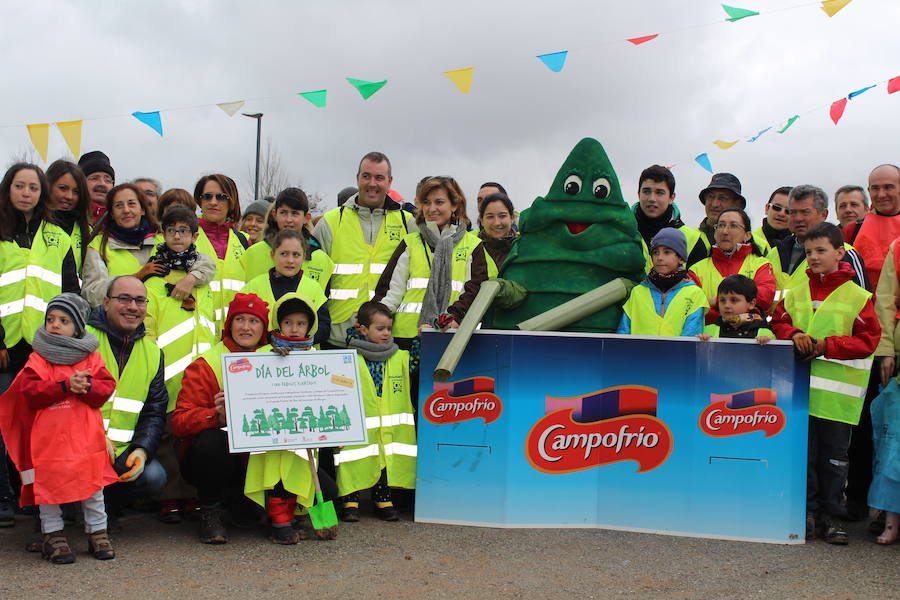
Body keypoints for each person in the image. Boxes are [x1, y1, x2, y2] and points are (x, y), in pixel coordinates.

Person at [770, 222, 880, 544]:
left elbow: (869, 340)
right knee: (804, 457)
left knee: (833, 461)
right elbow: (778, 321)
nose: (813, 257)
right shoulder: (796, 292)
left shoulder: (858, 296)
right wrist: (794, 335)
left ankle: (830, 517)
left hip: (836, 400)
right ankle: (806, 514)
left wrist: (824, 346)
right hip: (801, 396)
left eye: (821, 251)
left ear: (840, 252)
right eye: (808, 252)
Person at [0, 294, 119, 563]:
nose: (54, 325)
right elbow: (30, 391)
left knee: (92, 488)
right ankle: (53, 536)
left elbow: (105, 388)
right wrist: (65, 386)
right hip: (48, 443)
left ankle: (98, 532)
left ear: (77, 327)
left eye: (63, 320)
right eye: (50, 319)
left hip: (86, 441)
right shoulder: (38, 359)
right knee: (48, 490)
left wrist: (86, 386)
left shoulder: (91, 358)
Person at [0, 163, 80, 525]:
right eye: (20, 185)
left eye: (33, 187)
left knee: (37, 427)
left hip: (41, 348)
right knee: (3, 423)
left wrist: (65, 343)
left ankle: (31, 496)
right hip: (3, 345)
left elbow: (69, 293)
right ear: (9, 189)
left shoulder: (58, 236)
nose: (26, 192)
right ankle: (3, 495)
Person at [171, 293, 272, 544]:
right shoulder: (207, 364)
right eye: (240, 319)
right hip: (219, 458)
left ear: (264, 328)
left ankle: (268, 505)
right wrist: (215, 416)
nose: (246, 327)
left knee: (329, 491)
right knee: (210, 442)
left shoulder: (276, 361)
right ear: (229, 324)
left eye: (254, 321)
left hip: (260, 458)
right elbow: (179, 422)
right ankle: (210, 509)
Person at [87, 276, 169, 527]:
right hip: (77, 445)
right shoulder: (83, 340)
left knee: (154, 476)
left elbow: (154, 412)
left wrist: (142, 450)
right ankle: (64, 511)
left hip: (121, 451)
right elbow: (66, 399)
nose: (133, 307)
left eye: (140, 301)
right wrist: (93, 436)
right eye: (124, 299)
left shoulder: (153, 352)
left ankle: (109, 505)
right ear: (106, 302)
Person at [312, 152, 413, 348]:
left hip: (388, 340)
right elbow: (312, 281)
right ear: (357, 178)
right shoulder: (331, 222)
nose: (372, 183)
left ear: (390, 181)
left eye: (379, 178)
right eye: (366, 176)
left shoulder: (407, 223)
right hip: (338, 339)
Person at [246, 293, 322, 544]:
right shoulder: (267, 354)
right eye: (289, 322)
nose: (295, 328)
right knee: (277, 474)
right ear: (279, 324)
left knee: (300, 472)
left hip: (305, 431)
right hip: (275, 429)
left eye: (301, 324)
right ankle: (278, 519)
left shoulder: (317, 356)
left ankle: (293, 514)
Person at [373, 176, 482, 347]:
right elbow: (389, 292)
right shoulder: (410, 242)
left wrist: (449, 318)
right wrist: (373, 319)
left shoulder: (473, 245)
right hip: (405, 339)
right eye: (426, 202)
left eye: (439, 202)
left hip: (452, 336)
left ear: (454, 205)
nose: (432, 209)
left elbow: (474, 291)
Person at [335, 301, 416, 522]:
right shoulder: (347, 356)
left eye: (389, 329)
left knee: (383, 460)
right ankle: (350, 501)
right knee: (351, 459)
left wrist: (421, 339)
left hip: (386, 423)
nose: (386, 333)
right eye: (380, 329)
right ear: (362, 329)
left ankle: (383, 500)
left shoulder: (399, 356)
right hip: (357, 421)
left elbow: (415, 363)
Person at [769, 185, 869, 300]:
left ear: (824, 214)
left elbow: (861, 304)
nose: (798, 218)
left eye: (805, 212)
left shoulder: (844, 253)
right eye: (793, 212)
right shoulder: (774, 253)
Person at [437, 191, 517, 328]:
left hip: (514, 326)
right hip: (469, 328)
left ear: (512, 218)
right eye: (490, 217)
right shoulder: (466, 244)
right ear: (481, 220)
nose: (497, 222)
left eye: (502, 216)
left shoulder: (524, 246)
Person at [240, 230, 330, 347]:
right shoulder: (253, 287)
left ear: (304, 257)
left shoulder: (314, 288)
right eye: (284, 254)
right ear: (273, 255)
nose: (290, 260)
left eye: (296, 255)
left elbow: (324, 327)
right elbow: (241, 324)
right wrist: (274, 339)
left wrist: (298, 341)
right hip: (262, 358)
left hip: (306, 360)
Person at [689, 208, 776, 323]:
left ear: (747, 235)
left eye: (733, 226)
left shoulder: (761, 264)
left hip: (750, 337)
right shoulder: (696, 269)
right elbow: (691, 305)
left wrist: (716, 301)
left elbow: (764, 298)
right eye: (720, 225)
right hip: (707, 337)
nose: (725, 231)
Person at [617, 228, 707, 336]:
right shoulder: (637, 292)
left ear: (681, 259)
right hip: (637, 353)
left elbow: (691, 337)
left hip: (676, 353)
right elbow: (623, 334)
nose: (659, 257)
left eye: (667, 252)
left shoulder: (695, 294)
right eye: (655, 252)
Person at [242, 187, 333, 288]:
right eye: (283, 212)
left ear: (306, 218)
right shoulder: (253, 254)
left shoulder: (321, 260)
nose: (289, 219)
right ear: (274, 215)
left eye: (295, 213)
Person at [193, 174, 249, 329]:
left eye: (221, 197)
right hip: (198, 336)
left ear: (231, 202)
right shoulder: (186, 238)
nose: (213, 202)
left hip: (236, 336)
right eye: (207, 196)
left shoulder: (245, 241)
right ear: (199, 201)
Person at [633, 165, 708, 269]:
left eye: (659, 193)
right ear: (638, 194)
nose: (652, 198)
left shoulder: (693, 240)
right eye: (646, 191)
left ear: (671, 198)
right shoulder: (622, 232)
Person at [842, 165, 900, 294]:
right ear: (869, 190)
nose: (881, 194)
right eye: (875, 188)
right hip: (865, 309)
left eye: (888, 187)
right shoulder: (852, 230)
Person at [697, 275, 774, 342]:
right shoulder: (707, 331)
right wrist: (702, 345)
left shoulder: (765, 334)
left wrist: (768, 345)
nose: (726, 305)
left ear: (751, 304)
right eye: (722, 300)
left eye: (734, 300)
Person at [45, 160, 91, 274]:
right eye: (63, 188)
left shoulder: (88, 232)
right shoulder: (33, 226)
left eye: (76, 192)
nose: (69, 196)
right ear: (48, 187)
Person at [697, 173, 746, 246]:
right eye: (710, 196)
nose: (714, 204)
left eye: (722, 198)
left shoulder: (758, 245)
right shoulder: (687, 239)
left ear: (737, 204)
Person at [750, 186, 792, 254]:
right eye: (776, 207)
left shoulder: (804, 247)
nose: (781, 214)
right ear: (767, 208)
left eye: (788, 211)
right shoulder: (747, 241)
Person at [77, 151, 114, 226]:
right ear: (81, 183)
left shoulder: (121, 219)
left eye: (108, 180)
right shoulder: (67, 217)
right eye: (94, 178)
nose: (102, 184)